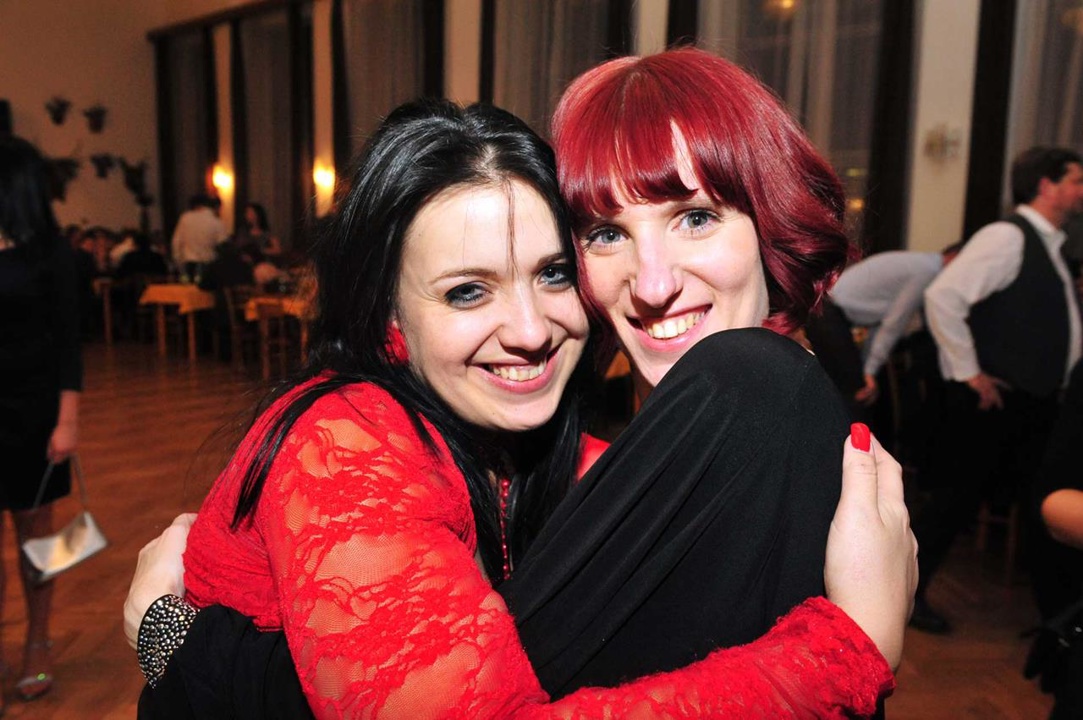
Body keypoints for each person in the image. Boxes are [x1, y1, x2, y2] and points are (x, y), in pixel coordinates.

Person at [128, 61, 912, 715]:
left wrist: (187, 648)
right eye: (466, 291)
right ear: (388, 314)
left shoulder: (577, 448)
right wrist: (846, 650)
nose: (531, 330)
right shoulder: (348, 436)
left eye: (552, 273)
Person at [916, 146, 1083, 634]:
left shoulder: (1050, 244)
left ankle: (1057, 621)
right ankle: (903, 596)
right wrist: (969, 373)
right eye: (1075, 180)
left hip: (1034, 402)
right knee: (952, 503)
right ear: (1046, 186)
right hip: (999, 401)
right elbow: (943, 296)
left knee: (1037, 507)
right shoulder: (1008, 236)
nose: (1081, 191)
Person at [0, 136, 83, 707]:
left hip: (33, 413)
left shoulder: (51, 255)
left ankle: (38, 641)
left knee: (38, 544)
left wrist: (67, 420)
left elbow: (68, 345)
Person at [171, 194, 228, 281]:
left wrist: (178, 261)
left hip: (189, 262)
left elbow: (176, 241)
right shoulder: (216, 222)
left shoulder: (185, 218)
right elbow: (223, 245)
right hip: (208, 264)